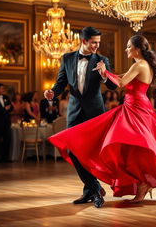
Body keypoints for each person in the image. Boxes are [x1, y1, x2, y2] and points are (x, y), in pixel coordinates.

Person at [48, 35, 156, 206]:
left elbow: (121, 82)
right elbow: (120, 76)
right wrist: (104, 72)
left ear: (137, 48)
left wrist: (104, 71)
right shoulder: (142, 65)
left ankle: (142, 183)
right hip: (136, 107)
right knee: (135, 148)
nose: (126, 49)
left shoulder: (139, 65)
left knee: (130, 145)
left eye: (129, 46)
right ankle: (143, 183)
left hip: (135, 109)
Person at [44, 27, 117, 208]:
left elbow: (113, 87)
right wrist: (53, 93)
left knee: (91, 152)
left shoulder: (102, 60)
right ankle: (95, 188)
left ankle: (89, 191)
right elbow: (61, 83)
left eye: (98, 43)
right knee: (72, 151)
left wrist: (104, 74)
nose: (96, 46)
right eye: (93, 42)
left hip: (95, 113)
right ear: (83, 41)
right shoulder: (67, 58)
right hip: (75, 112)